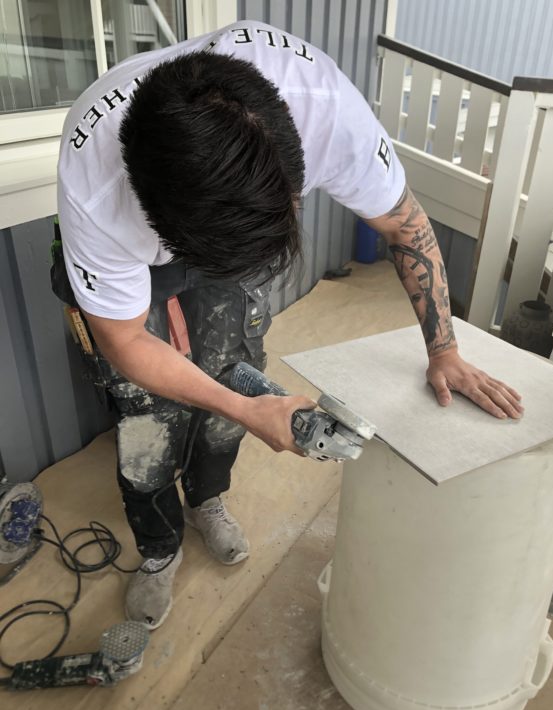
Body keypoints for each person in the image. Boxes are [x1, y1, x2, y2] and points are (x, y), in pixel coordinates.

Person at [56, 20, 523, 630]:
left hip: (212, 213)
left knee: (233, 368)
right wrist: (246, 408)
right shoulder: (95, 189)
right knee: (145, 412)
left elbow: (404, 225)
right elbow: (122, 339)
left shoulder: (328, 113)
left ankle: (206, 498)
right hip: (141, 240)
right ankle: (159, 546)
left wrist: (445, 349)